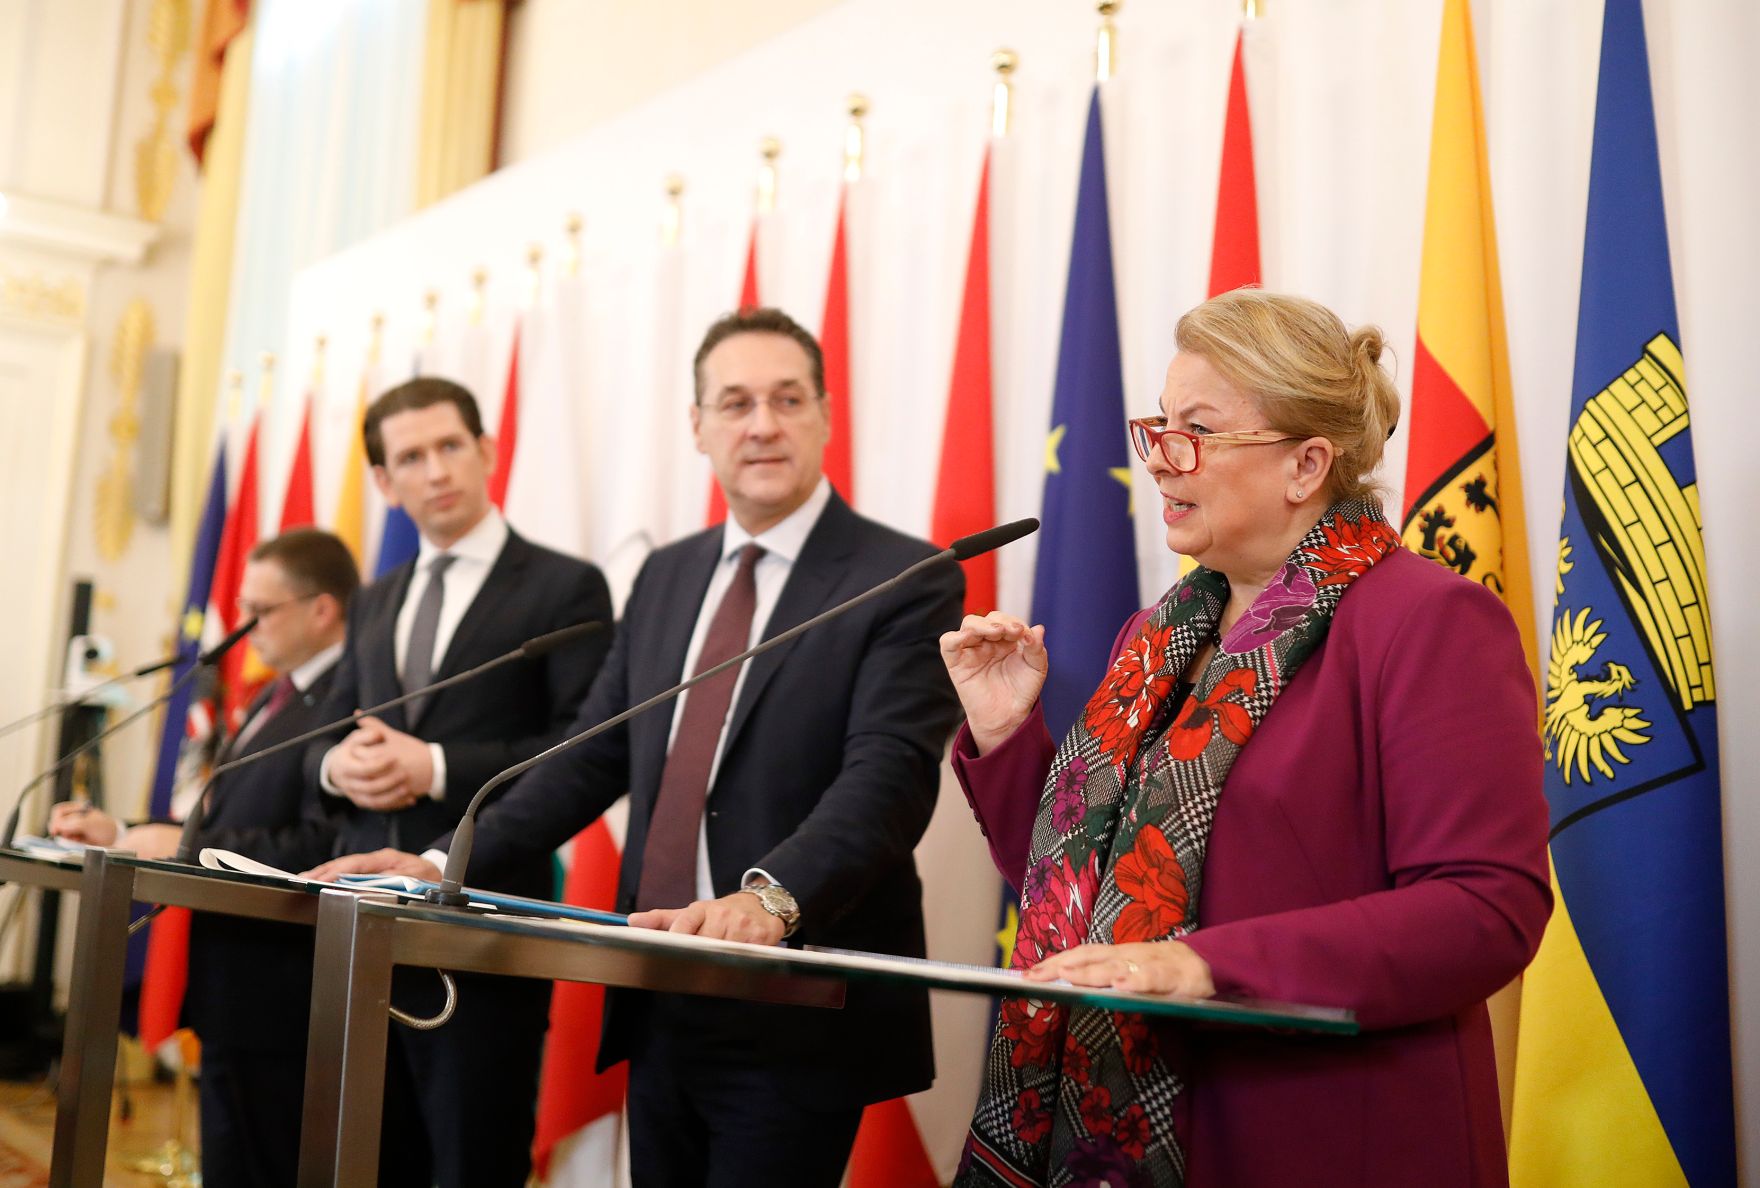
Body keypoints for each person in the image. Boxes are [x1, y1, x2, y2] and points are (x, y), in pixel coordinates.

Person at [311, 307, 966, 1188]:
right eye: (734, 403)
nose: (762, 424)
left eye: (786, 398)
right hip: (656, 982)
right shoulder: (667, 574)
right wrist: (441, 862)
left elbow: (885, 779)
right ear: (697, 427)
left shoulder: (905, 577)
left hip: (791, 996)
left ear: (824, 414)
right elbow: (590, 757)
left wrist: (771, 900)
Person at [940, 290, 1552, 1188]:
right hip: (1120, 1125)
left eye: (1197, 432)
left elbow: (1485, 909)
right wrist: (1005, 736)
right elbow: (1084, 900)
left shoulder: (1429, 623)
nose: (1159, 462)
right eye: (1160, 427)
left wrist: (1202, 966)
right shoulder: (1156, 638)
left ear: (1307, 464)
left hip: (1323, 1130)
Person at [306, 377, 613, 1188]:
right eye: (411, 456)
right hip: (362, 923)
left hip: (484, 920)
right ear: (384, 482)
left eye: (451, 446)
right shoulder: (373, 600)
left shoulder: (564, 586)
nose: (436, 469)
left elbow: (585, 748)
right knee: (367, 1160)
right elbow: (322, 738)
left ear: (486, 450)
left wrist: (433, 766)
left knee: (471, 1158)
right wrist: (341, 766)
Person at [52, 527, 359, 1188]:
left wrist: (192, 850)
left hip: (284, 990)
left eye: (262, 609)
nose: (244, 627)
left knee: (267, 1164)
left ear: (322, 609)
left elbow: (326, 846)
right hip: (232, 982)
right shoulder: (275, 697)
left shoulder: (348, 704)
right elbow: (224, 819)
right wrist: (124, 830)